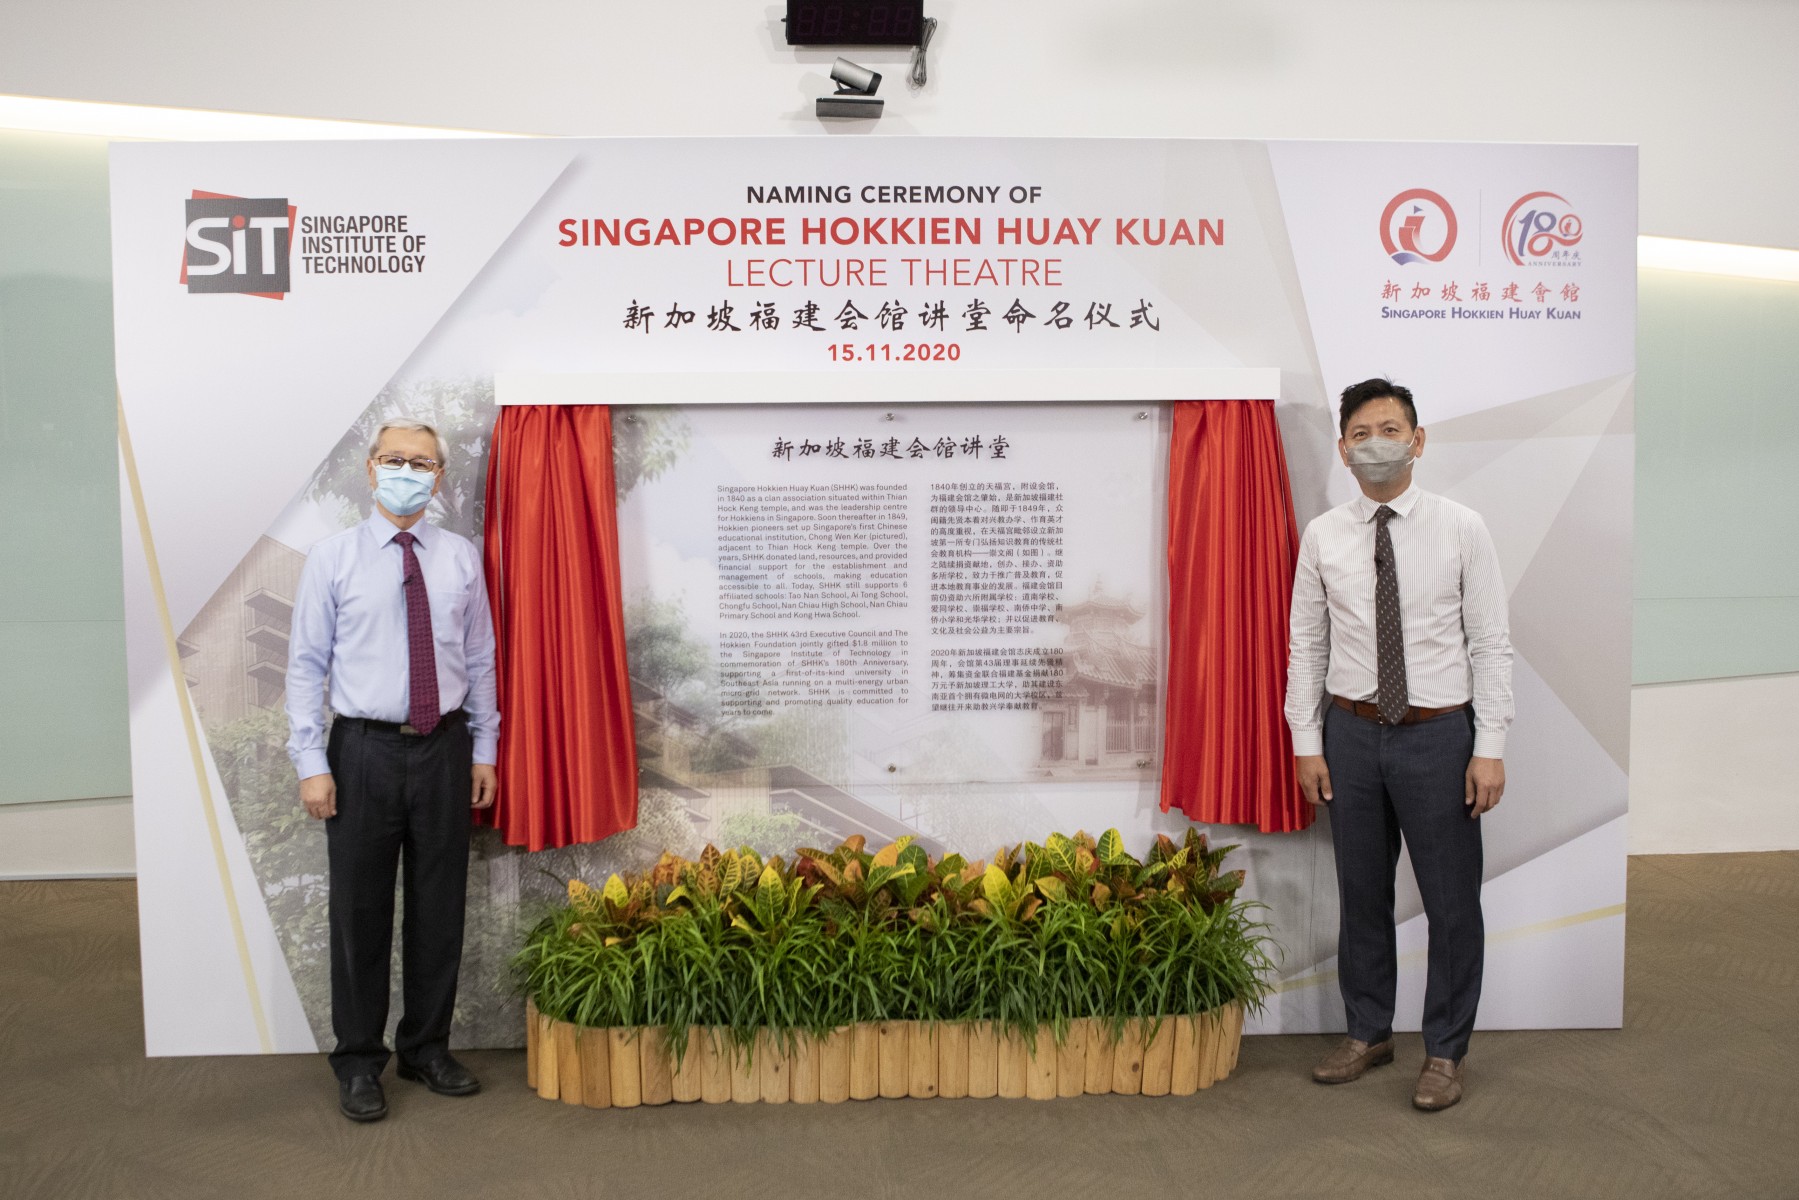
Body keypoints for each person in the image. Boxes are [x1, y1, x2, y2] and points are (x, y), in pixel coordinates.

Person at [1284, 378, 1512, 1112]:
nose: (1375, 441)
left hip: (1439, 736)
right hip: (1349, 735)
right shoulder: (1324, 534)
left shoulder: (1460, 527)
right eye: (1360, 432)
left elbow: (1490, 644)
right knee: (1361, 894)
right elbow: (1305, 645)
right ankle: (1368, 1032)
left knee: (1450, 904)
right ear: (1343, 448)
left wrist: (1489, 745)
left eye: (1390, 428)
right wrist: (1306, 739)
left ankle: (1444, 1050)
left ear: (1417, 441)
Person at [285, 418, 500, 1123]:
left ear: (439, 477)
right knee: (360, 911)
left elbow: (480, 661)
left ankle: (426, 1048)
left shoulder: (461, 558)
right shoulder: (333, 557)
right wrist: (312, 762)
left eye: (423, 462)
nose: (409, 471)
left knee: (439, 909)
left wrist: (484, 749)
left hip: (442, 749)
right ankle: (358, 1060)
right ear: (372, 467)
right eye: (395, 459)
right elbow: (306, 666)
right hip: (362, 751)